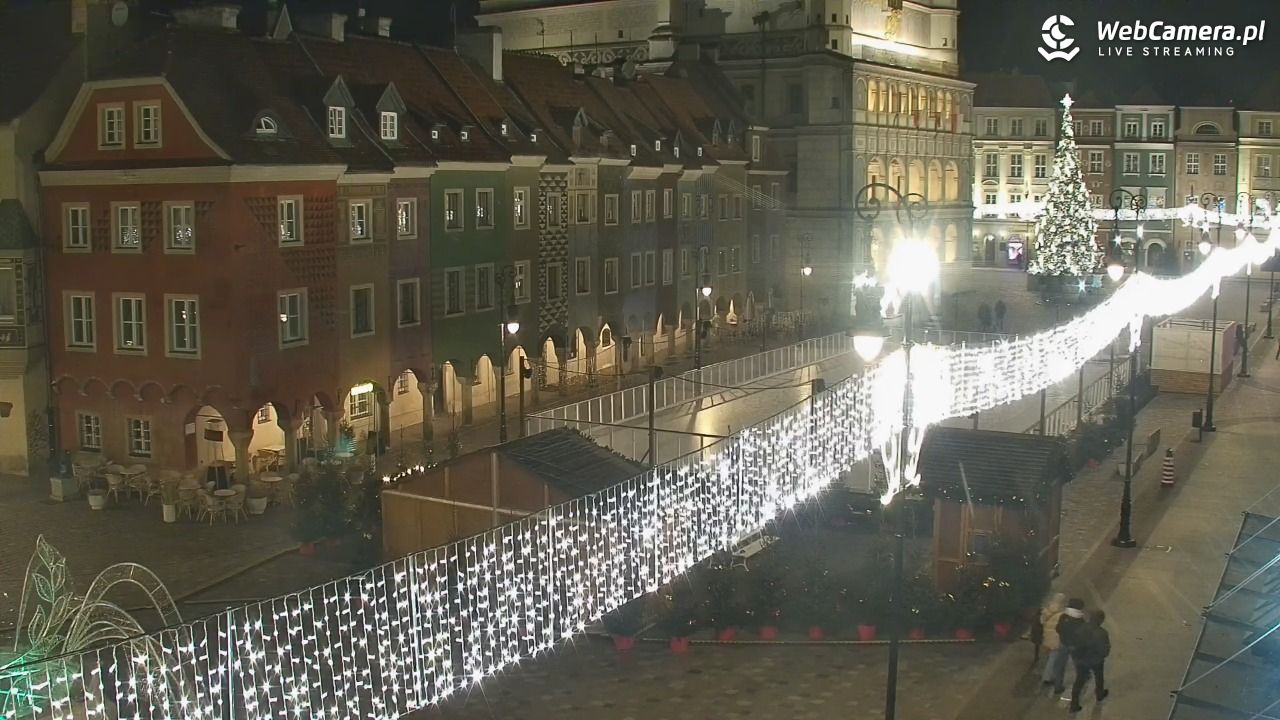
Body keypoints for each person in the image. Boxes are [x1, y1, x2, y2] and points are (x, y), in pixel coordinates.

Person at [1069, 610, 1111, 713]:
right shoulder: (1102, 633)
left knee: (1079, 681)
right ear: (1101, 620)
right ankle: (1099, 694)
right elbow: (1104, 650)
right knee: (1099, 677)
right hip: (1096, 660)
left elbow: (1073, 643)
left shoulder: (1081, 628)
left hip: (1081, 660)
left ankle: (1074, 704)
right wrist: (1102, 655)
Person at [1045, 597, 1086, 694]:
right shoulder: (1080, 620)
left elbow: (1058, 628)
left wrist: (1064, 637)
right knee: (1078, 663)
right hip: (1075, 646)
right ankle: (1082, 679)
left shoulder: (1064, 616)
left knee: (1060, 665)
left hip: (1063, 644)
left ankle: (1058, 686)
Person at [1034, 593, 1066, 667]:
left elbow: (1041, 621)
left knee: (1047, 651)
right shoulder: (1063, 612)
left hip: (1047, 633)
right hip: (1056, 635)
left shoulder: (1047, 608)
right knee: (1054, 654)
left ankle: (1045, 667)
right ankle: (1048, 673)